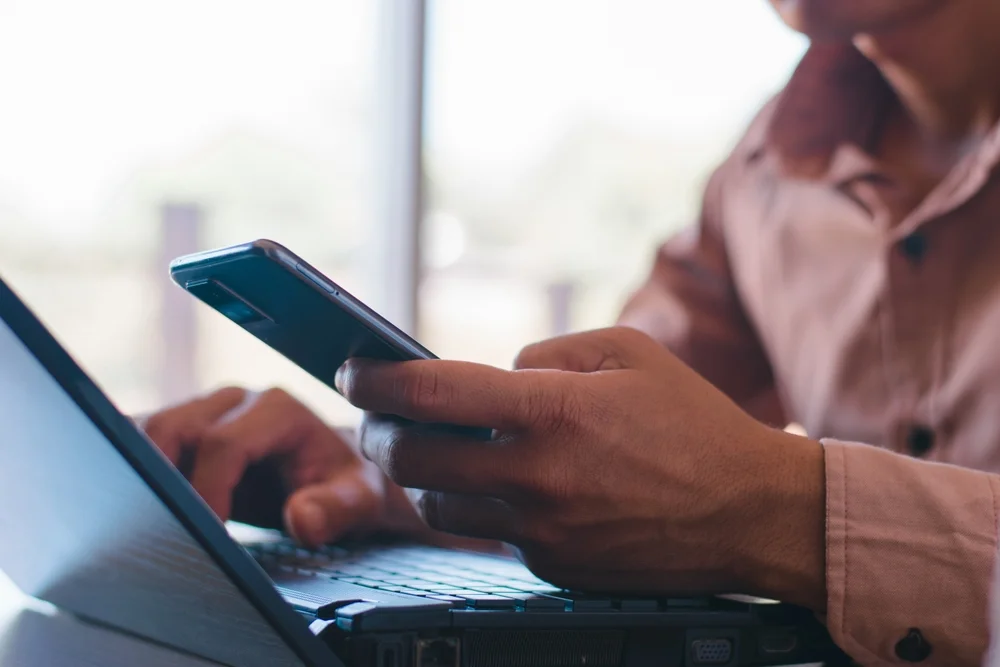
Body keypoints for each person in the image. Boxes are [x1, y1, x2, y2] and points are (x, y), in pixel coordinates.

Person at [141, 1, 1000, 664]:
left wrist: (786, 514)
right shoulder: (768, 168)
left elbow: (723, 493)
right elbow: (604, 459)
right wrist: (377, 474)